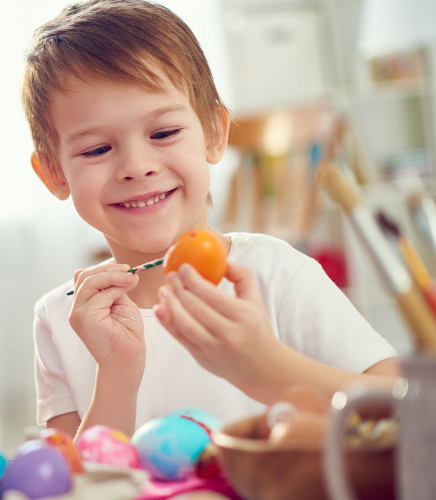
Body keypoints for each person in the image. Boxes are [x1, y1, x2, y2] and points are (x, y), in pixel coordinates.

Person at [20, 0, 399, 439]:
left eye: (163, 133)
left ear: (215, 134)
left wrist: (265, 365)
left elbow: (406, 411)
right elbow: (69, 482)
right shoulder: (61, 318)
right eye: (96, 150)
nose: (136, 166)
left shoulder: (277, 274)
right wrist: (117, 376)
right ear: (54, 173)